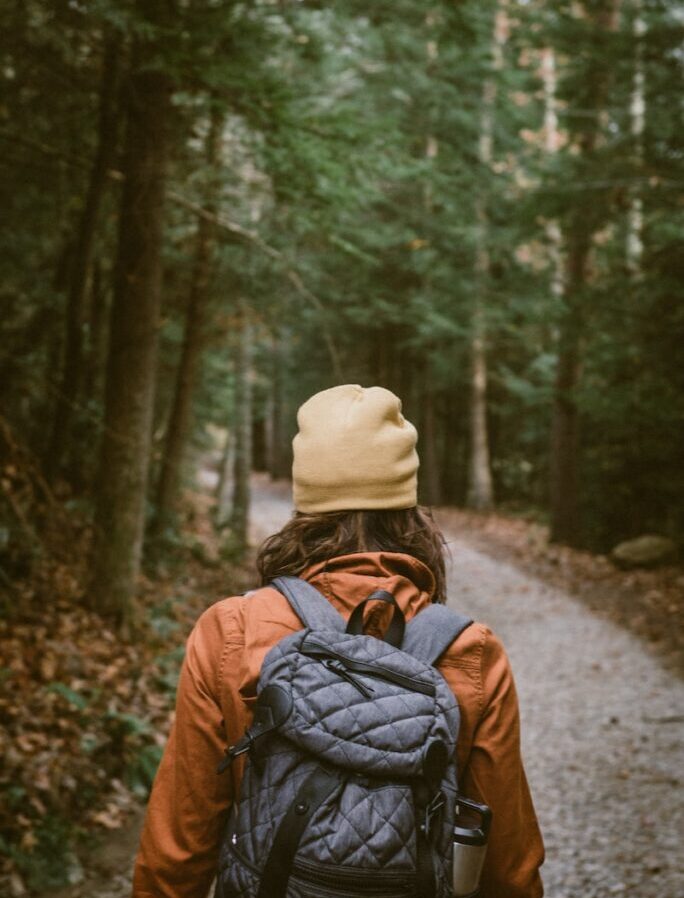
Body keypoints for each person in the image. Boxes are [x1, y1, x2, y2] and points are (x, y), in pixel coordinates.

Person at [132, 384, 545, 898]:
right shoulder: (473, 653)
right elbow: (508, 868)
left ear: (304, 503)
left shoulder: (231, 630)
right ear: (409, 507)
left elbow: (178, 850)